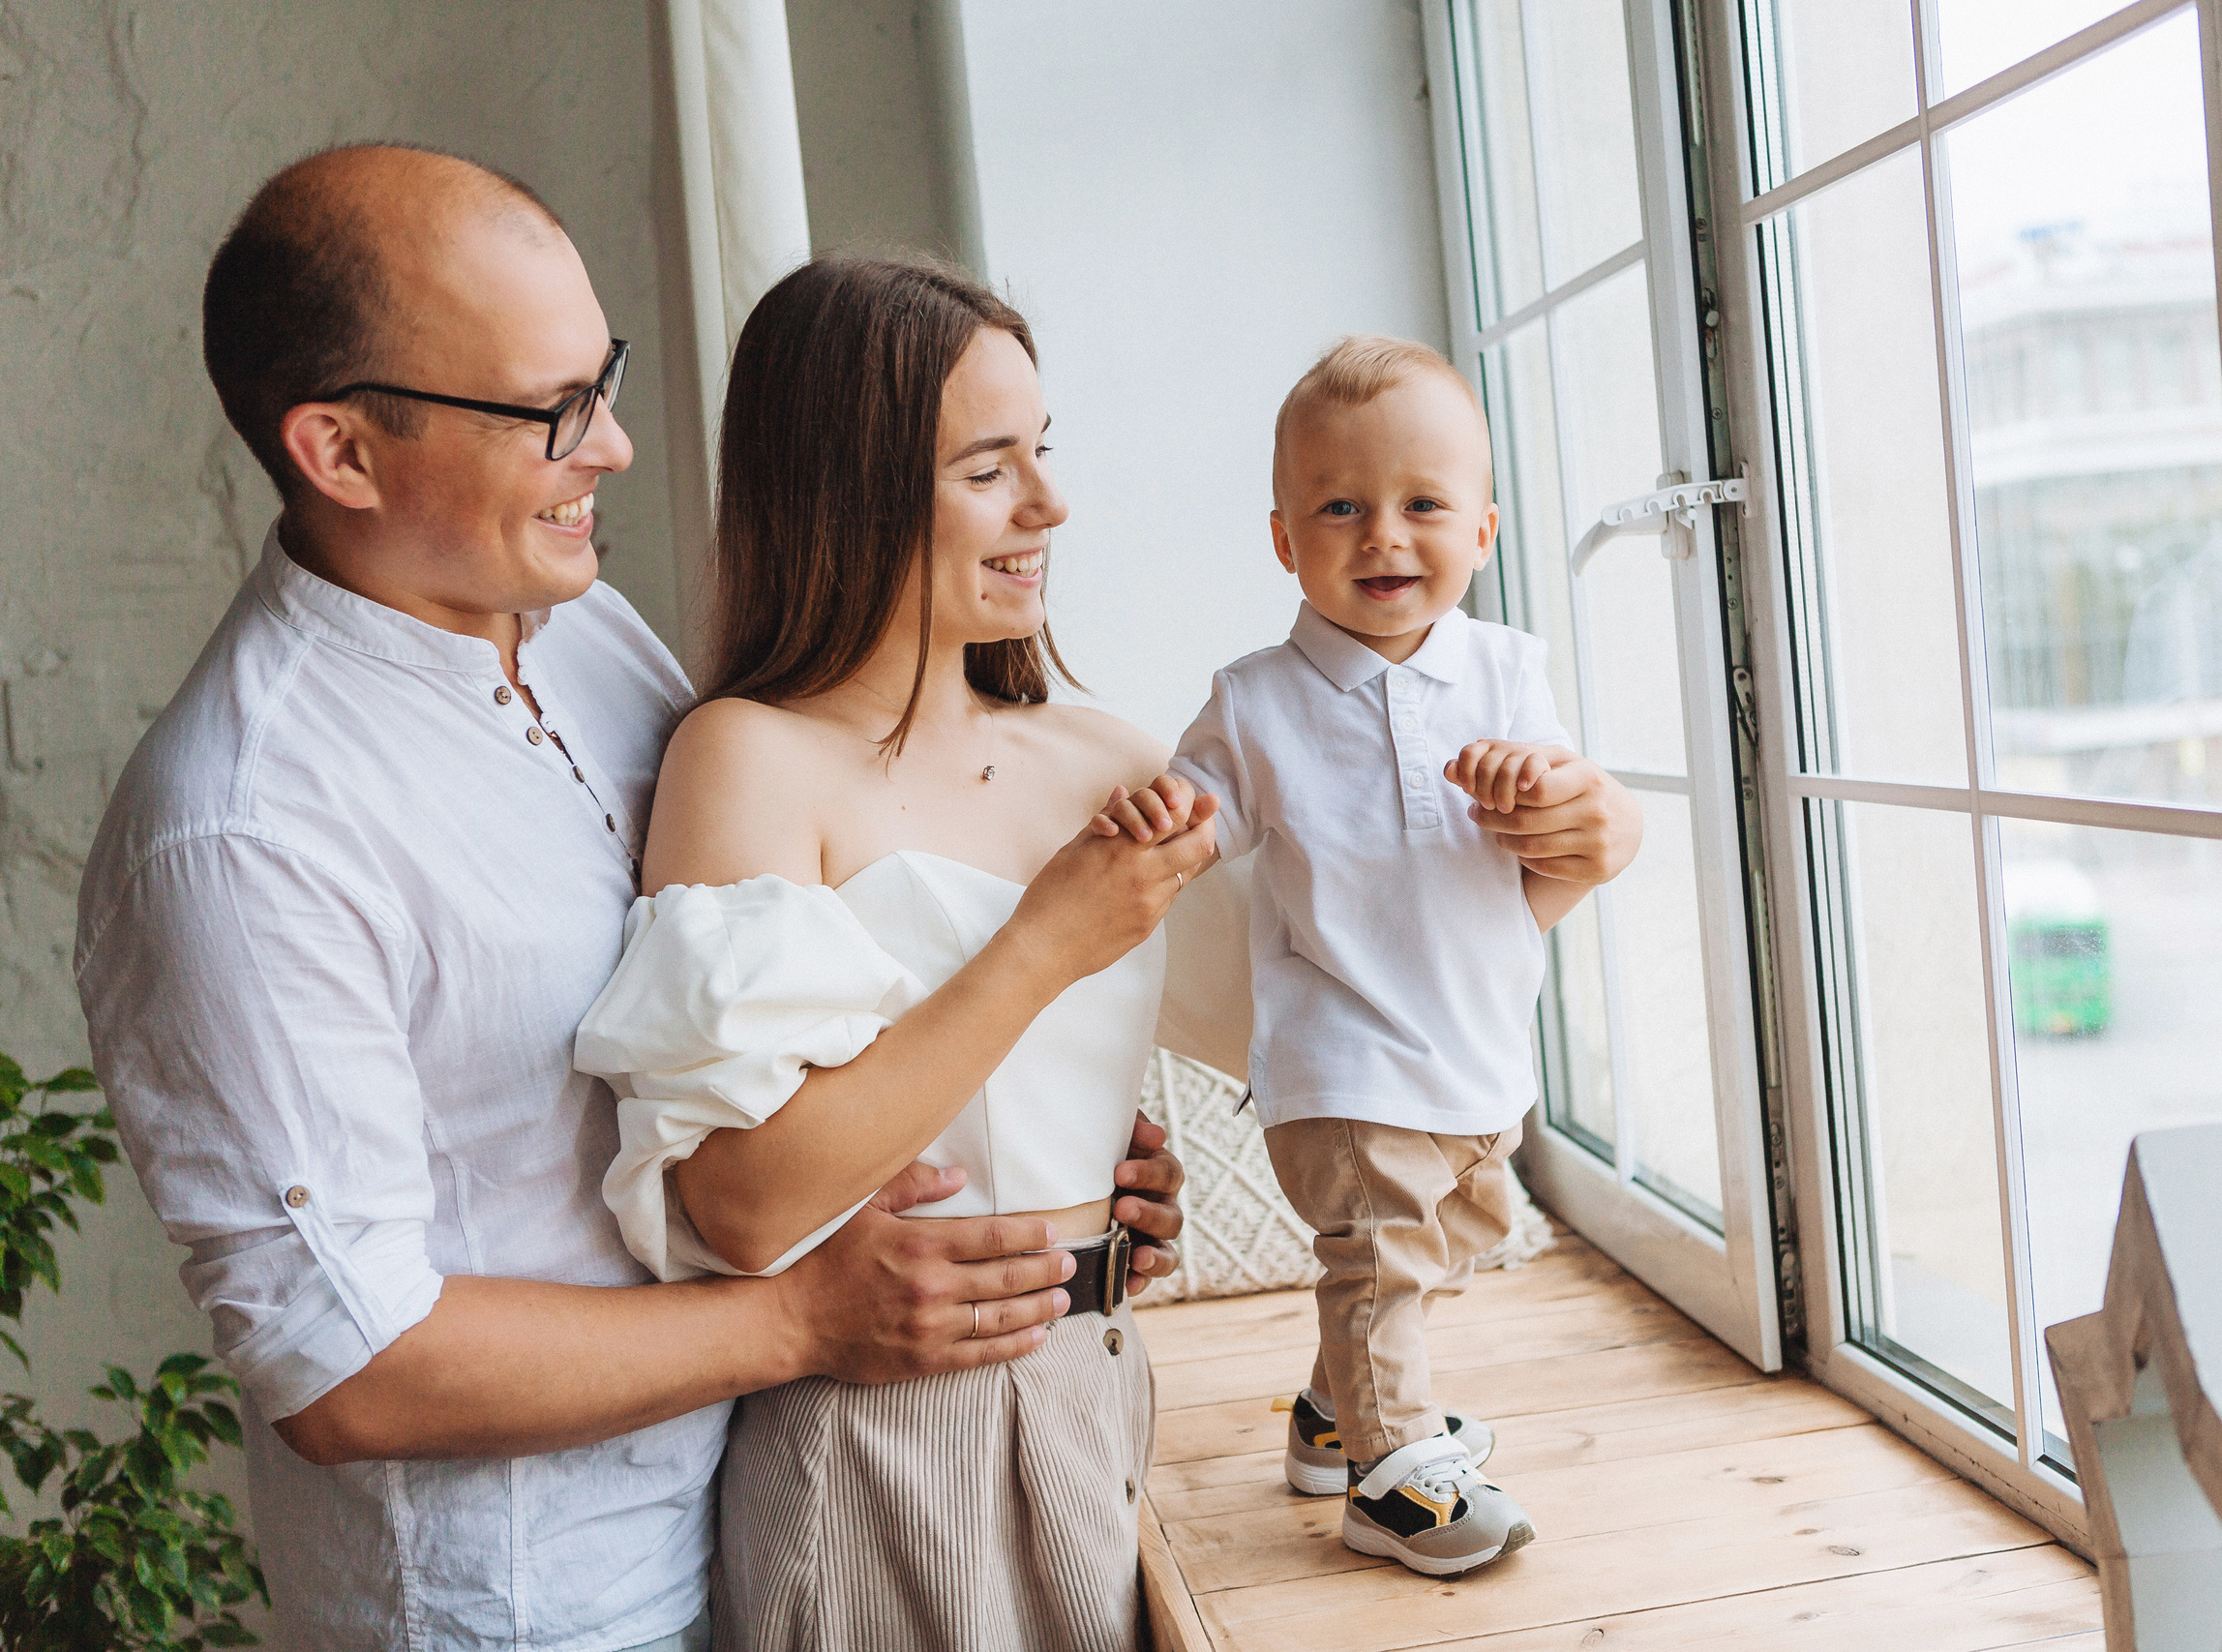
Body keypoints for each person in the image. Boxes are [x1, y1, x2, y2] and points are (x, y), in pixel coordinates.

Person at [72, 145, 1188, 1652]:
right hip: (527, 1607)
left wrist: (1039, 1163)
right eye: (552, 411)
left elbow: (749, 1028)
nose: (618, 446)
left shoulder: (586, 634)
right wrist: (806, 1317)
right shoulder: (241, 826)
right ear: (341, 452)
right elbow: (352, 1368)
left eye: (603, 378)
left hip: (763, 1507)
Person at [571, 256, 1220, 1652]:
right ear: (851, 489)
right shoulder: (747, 758)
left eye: (1042, 452)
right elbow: (740, 1203)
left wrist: (1548, 864)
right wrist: (1046, 943)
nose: (1049, 504)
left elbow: (1311, 1006)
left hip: (1101, 1388)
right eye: (990, 467)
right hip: (882, 1440)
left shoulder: (1107, 752)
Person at [1160, 335, 1642, 1578]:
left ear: (1481, 531)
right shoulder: (1257, 700)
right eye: (1341, 507)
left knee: (1451, 1230)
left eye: (1421, 505)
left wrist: (1542, 791)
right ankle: (1389, 1473)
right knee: (1377, 1253)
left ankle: (1333, 1416)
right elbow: (1193, 809)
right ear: (1284, 540)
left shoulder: (1506, 669)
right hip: (1343, 1054)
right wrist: (1162, 815)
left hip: (1474, 1042)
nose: (1383, 536)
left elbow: (1563, 818)